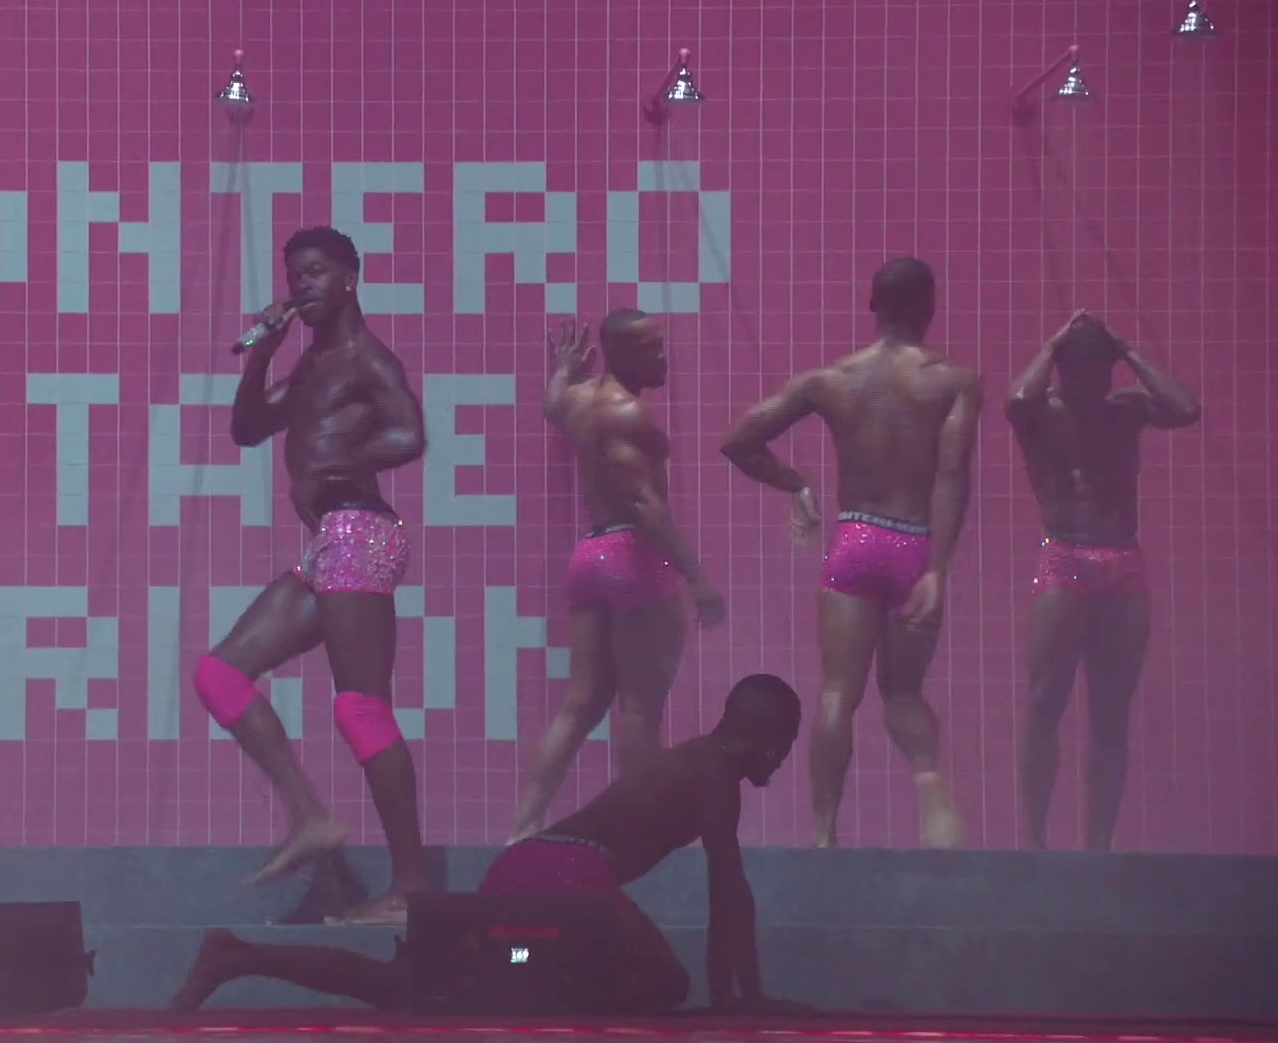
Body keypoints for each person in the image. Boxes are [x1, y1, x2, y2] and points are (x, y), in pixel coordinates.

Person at [169, 673, 808, 1015]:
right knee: (664, 983)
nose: (780, 764)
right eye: (783, 750)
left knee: (413, 986)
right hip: (567, 877)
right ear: (768, 741)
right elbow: (730, 895)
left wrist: (732, 997)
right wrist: (740, 998)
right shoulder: (716, 778)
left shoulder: (696, 762)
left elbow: (728, 898)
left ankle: (238, 956)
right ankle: (520, 990)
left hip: (525, 865)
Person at [190, 226, 428, 925]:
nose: (302, 286)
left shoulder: (365, 358)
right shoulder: (310, 365)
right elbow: (246, 429)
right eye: (296, 275)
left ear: (349, 278)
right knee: (220, 675)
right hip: (330, 543)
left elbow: (409, 434)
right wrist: (261, 355)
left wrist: (335, 465)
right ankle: (309, 816)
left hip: (362, 532)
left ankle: (412, 889)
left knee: (360, 709)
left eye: (317, 272)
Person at [719, 258, 980, 849]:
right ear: (931, 308)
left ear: (872, 307)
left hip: (855, 541)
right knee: (904, 694)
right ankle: (934, 801)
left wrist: (796, 484)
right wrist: (937, 570)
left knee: (838, 693)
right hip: (913, 544)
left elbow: (739, 440)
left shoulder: (831, 380)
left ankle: (823, 837)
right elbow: (952, 475)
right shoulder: (954, 382)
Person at [509, 312, 725, 844]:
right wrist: (697, 578)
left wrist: (563, 370)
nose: (663, 356)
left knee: (582, 700)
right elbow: (645, 504)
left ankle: (523, 826)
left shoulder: (578, 401)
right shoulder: (631, 413)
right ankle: (639, 829)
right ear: (622, 353)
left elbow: (552, 406)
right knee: (640, 706)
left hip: (590, 555)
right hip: (634, 556)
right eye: (650, 348)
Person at [1006, 312, 1200, 851]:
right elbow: (1015, 400)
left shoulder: (1126, 409)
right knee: (1045, 701)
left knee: (1111, 713)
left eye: (1099, 373)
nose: (1088, 386)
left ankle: (1098, 846)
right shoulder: (1042, 412)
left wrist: (1128, 348)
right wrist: (1052, 343)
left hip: (1121, 560)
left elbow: (1186, 410)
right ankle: (1034, 842)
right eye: (1078, 373)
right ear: (1063, 370)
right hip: (1065, 553)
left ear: (1110, 372)